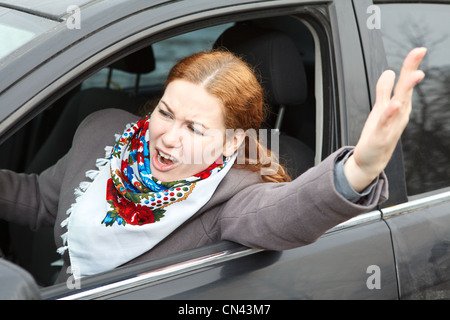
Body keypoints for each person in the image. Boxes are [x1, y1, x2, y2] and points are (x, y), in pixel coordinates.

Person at [0, 47, 426, 283]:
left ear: (231, 143)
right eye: (165, 113)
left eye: (194, 129)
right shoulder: (104, 131)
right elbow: (40, 198)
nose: (167, 137)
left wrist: (361, 167)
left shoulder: (233, 197)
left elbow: (291, 209)